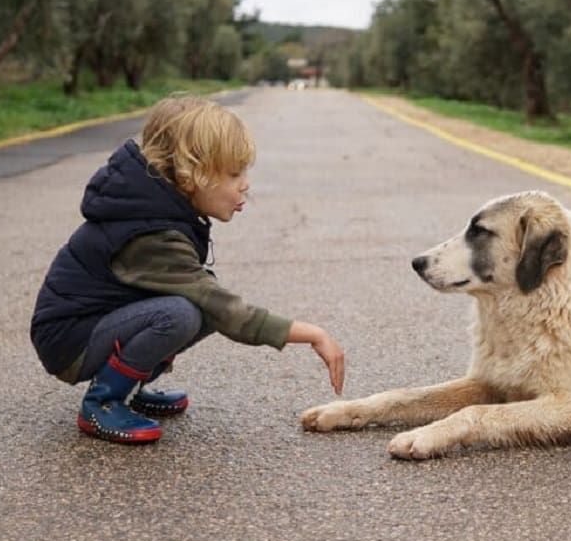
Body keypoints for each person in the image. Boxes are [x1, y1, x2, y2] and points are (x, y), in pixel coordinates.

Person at [30, 94, 344, 444]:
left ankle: (128, 388)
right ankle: (103, 401)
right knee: (183, 312)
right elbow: (225, 309)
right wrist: (311, 333)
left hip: (93, 325)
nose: (246, 184)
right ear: (191, 173)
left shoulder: (159, 211)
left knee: (201, 305)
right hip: (70, 342)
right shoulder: (149, 233)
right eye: (233, 173)